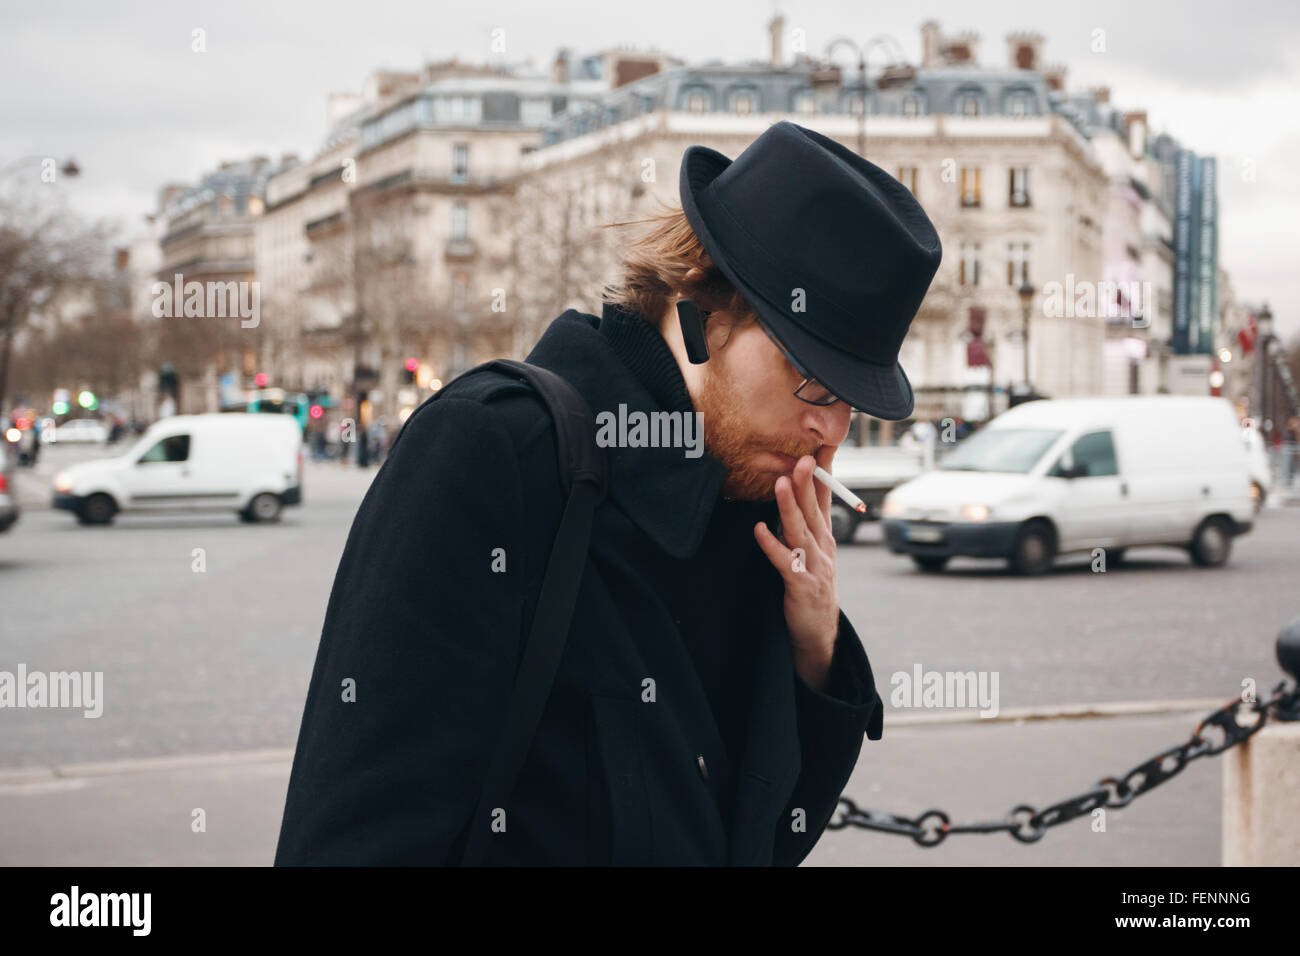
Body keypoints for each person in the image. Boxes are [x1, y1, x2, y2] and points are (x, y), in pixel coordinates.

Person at [274, 120, 942, 866]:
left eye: (852, 397)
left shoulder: (749, 504)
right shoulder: (493, 452)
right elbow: (354, 834)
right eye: (812, 377)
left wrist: (813, 651)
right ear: (698, 308)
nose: (831, 432)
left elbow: (765, 841)